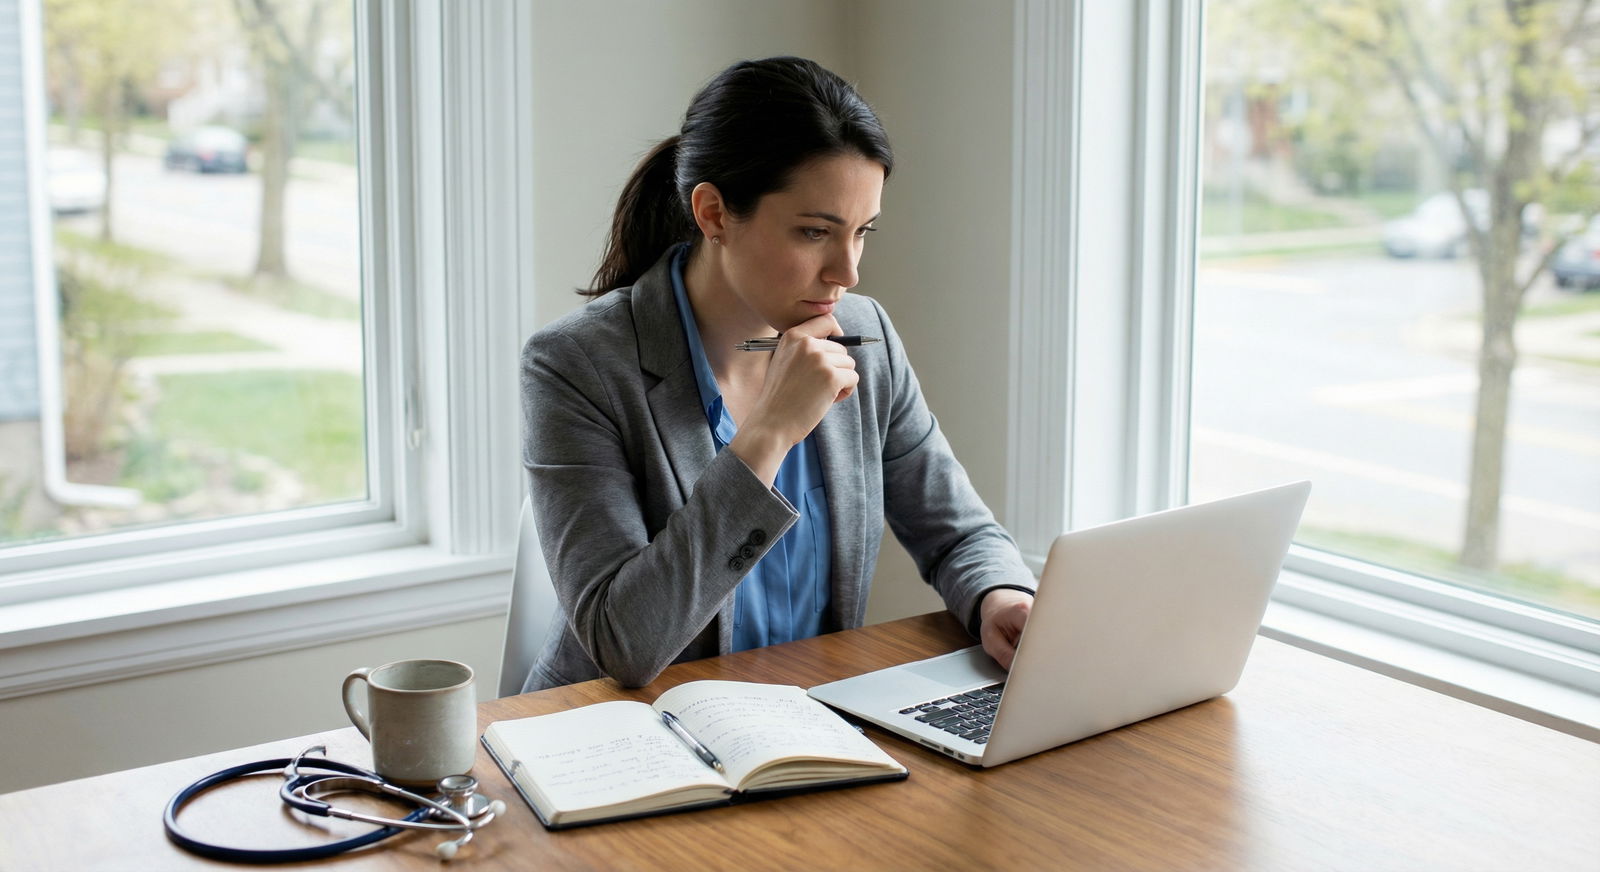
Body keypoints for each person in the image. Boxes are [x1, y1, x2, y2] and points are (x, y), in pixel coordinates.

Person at [517, 56, 1035, 692]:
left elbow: (957, 533)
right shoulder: (576, 365)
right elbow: (624, 644)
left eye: (862, 231)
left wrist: (999, 595)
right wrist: (767, 435)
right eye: (815, 232)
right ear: (712, 214)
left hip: (800, 731)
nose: (847, 271)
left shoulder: (863, 333)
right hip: (620, 743)